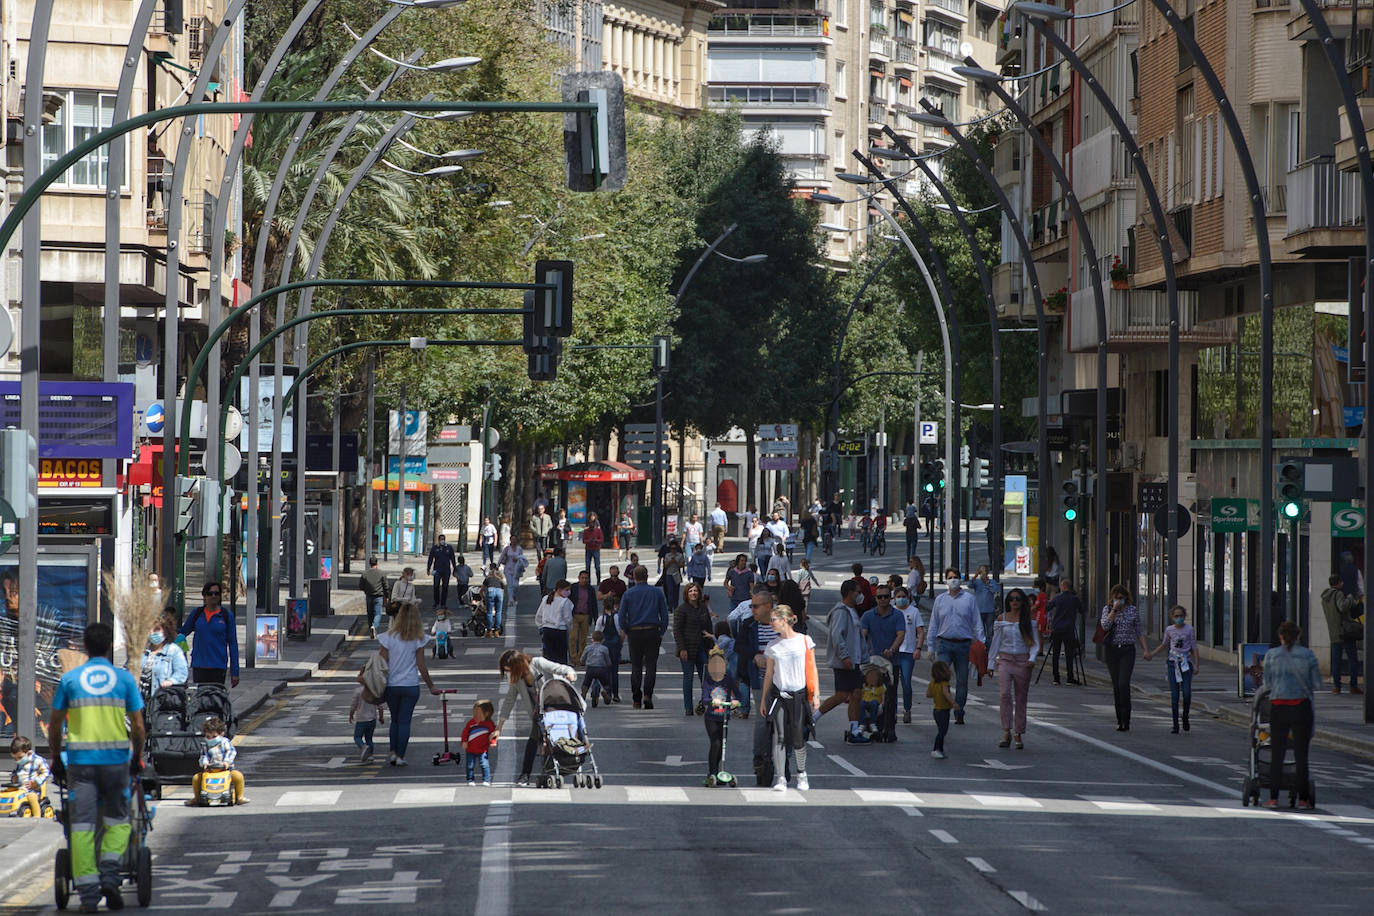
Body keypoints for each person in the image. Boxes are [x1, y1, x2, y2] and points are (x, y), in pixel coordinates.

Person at [47, 622, 146, 913]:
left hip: (81, 765)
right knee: (117, 820)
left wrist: (55, 758)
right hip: (116, 763)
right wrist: (137, 756)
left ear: (86, 648)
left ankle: (89, 894)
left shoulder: (71, 680)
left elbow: (54, 724)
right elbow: (138, 726)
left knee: (81, 826)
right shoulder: (124, 680)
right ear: (108, 647)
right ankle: (111, 876)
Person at [1261, 620, 1322, 809]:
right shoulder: (1307, 655)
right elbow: (1317, 684)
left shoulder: (1271, 655)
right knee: (1301, 755)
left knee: (1277, 753)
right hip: (1300, 707)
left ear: (1280, 636)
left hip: (1279, 708)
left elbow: (1267, 684)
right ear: (1299, 636)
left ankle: (1273, 797)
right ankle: (1303, 799)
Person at [493, 650, 576, 785]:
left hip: (554, 709)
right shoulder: (517, 679)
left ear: (518, 665)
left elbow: (560, 668)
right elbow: (509, 700)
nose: (509, 674)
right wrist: (499, 728)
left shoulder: (538, 663)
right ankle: (526, 775)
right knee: (534, 740)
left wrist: (570, 673)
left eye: (510, 670)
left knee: (545, 741)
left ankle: (543, 773)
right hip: (537, 714)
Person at [760, 604, 819, 792]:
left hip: (799, 695)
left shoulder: (804, 641)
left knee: (798, 737)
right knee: (779, 737)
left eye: (774, 620)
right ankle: (781, 778)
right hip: (779, 695)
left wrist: (815, 694)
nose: (771, 623)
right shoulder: (772, 646)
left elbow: (813, 668)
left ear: (784, 620)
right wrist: (763, 699)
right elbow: (769, 674)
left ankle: (802, 774)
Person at [377, 604, 440, 766]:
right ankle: (400, 755)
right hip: (411, 685)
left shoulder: (389, 637)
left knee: (395, 720)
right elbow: (421, 665)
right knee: (405, 721)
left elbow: (380, 661)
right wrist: (431, 686)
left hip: (392, 685)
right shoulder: (418, 639)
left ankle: (392, 752)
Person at [926, 567, 983, 724]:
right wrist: (930, 645)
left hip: (963, 645)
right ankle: (941, 707)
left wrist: (981, 643)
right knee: (940, 679)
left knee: (962, 680)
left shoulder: (969, 599)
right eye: (950, 577)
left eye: (956, 576)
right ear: (946, 580)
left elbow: (977, 622)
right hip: (944, 643)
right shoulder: (940, 600)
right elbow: (933, 623)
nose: (953, 579)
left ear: (960, 579)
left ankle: (959, 710)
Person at [815, 579, 869, 745]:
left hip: (854, 660)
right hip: (846, 661)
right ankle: (811, 719)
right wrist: (845, 656)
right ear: (849, 593)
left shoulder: (852, 611)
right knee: (842, 695)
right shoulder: (841, 612)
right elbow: (837, 636)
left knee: (856, 694)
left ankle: (854, 730)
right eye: (858, 592)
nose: (860, 595)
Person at [988, 588, 1040, 750]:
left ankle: (1018, 732)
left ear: (1023, 601)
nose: (1014, 601)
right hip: (1005, 660)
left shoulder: (1029, 620)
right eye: (1011, 599)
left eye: (1017, 599)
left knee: (1021, 697)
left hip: (1023, 661)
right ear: (1008, 602)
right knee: (1004, 694)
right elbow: (995, 642)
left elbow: (1035, 643)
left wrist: (1031, 658)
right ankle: (1006, 731)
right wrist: (990, 663)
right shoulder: (1001, 619)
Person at [618, 566, 670, 708]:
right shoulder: (656, 592)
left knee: (636, 666)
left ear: (634, 577)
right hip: (652, 630)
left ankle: (636, 697)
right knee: (651, 665)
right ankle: (648, 695)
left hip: (635, 631)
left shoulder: (628, 594)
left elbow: (622, 617)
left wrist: (627, 630)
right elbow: (664, 614)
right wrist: (661, 631)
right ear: (647, 576)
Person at [1100, 584, 1149, 731]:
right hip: (1112, 650)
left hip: (1127, 650)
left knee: (1123, 683)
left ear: (1126, 598)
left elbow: (1139, 631)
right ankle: (1119, 718)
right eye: (1116, 598)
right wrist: (1114, 610)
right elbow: (1105, 626)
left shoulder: (1132, 610)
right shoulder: (1107, 609)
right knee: (1116, 685)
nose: (1119, 601)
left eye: (1121, 598)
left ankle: (1126, 719)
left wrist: (1146, 650)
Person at [1144, 605, 1200, 733]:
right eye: (1176, 616)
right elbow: (1164, 644)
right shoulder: (1169, 630)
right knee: (1174, 695)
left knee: (1186, 693)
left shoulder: (1189, 629)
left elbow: (1194, 647)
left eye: (1181, 616)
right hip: (1173, 663)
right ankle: (1175, 724)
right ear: (1172, 617)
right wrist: (1151, 654)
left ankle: (1185, 716)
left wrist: (1196, 664)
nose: (1179, 618)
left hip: (1186, 664)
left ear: (1184, 616)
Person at [178, 581, 240, 687]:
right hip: (199, 665)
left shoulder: (226, 616)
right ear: (204, 596)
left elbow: (233, 644)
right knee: (201, 699)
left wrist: (235, 672)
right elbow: (182, 633)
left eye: (216, 593)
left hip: (218, 666)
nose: (213, 596)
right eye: (210, 593)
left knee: (215, 699)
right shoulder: (197, 614)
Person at [701, 647, 742, 786]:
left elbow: (738, 694)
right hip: (711, 717)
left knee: (722, 745)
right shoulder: (708, 681)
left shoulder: (728, 680)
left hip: (724, 717)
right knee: (716, 743)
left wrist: (735, 701)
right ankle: (712, 772)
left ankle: (719, 771)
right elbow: (704, 699)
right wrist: (713, 701)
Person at [674, 582, 714, 716]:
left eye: (695, 591)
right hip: (687, 648)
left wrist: (711, 648)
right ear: (686, 594)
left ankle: (704, 703)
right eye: (691, 591)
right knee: (688, 678)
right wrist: (682, 649)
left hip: (702, 647)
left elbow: (708, 628)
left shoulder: (703, 608)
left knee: (706, 677)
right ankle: (688, 708)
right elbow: (677, 631)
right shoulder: (682, 609)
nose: (693, 593)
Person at [187, 716, 247, 806]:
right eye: (208, 736)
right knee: (196, 778)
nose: (210, 739)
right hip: (210, 771)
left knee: (238, 776)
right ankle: (196, 798)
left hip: (225, 770)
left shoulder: (225, 742)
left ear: (221, 734)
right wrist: (205, 763)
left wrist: (226, 762)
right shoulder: (206, 745)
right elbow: (204, 755)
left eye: (214, 736)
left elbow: (231, 752)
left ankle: (240, 797)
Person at [1321, 573, 1363, 695]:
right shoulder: (1338, 594)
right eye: (1341, 582)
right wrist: (1350, 598)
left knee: (1336, 661)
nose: (1342, 584)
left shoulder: (1325, 598)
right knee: (1352, 659)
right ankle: (1353, 686)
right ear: (1338, 582)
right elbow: (1342, 607)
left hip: (1333, 632)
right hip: (1344, 632)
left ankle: (1337, 686)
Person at [891, 586, 925, 724]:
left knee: (906, 683)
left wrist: (918, 648)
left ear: (908, 597)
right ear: (894, 599)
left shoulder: (914, 611)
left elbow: (920, 632)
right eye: (898, 597)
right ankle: (891, 711)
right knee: (892, 684)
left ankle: (907, 710)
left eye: (903, 596)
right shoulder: (891, 612)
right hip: (893, 651)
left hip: (908, 651)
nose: (901, 599)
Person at [1046, 579, 1083, 685]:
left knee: (1055, 654)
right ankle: (1069, 678)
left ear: (1062, 587)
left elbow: (1048, 607)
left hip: (1057, 628)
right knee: (1069, 654)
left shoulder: (1058, 598)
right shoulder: (1074, 599)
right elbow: (1081, 610)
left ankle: (1056, 678)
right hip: (1069, 629)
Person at [140, 614, 188, 697]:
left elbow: (182, 673)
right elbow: (127, 668)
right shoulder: (141, 651)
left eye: (156, 629)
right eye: (149, 629)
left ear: (166, 631)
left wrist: (171, 681)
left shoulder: (174, 651)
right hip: (139, 700)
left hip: (161, 699)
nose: (152, 632)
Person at [861, 585, 906, 672]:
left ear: (890, 598)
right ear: (875, 598)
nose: (883, 599)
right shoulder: (867, 615)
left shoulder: (898, 615)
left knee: (891, 685)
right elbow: (862, 635)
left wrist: (891, 650)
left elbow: (901, 635)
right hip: (871, 662)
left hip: (892, 662)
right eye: (879, 597)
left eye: (886, 596)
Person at [7, 735, 51, 819]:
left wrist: (36, 782)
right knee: (7, 793)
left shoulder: (38, 760)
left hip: (34, 790)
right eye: (15, 758)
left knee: (32, 797)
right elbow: (16, 773)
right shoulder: (20, 762)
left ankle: (37, 816)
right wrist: (14, 778)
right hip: (21, 789)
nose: (17, 760)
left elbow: (46, 771)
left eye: (19, 757)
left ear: (29, 753)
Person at [349, 673, 386, 763]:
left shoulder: (358, 691)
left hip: (361, 719)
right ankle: (370, 755)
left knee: (357, 737)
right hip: (372, 719)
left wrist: (351, 714)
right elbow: (380, 706)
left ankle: (363, 747)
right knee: (369, 738)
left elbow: (353, 705)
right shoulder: (373, 691)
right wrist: (381, 717)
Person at [593, 596, 623, 703]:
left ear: (603, 606)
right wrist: (620, 644)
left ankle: (607, 690)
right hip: (615, 646)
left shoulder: (601, 619)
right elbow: (620, 632)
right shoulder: (617, 617)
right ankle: (615, 694)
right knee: (614, 670)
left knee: (605, 670)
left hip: (604, 646)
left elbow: (597, 633)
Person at [535, 581, 573, 665]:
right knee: (561, 656)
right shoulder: (565, 601)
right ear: (559, 590)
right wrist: (570, 629)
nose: (568, 592)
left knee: (548, 656)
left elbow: (539, 615)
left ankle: (549, 675)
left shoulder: (546, 598)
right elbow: (568, 619)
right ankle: (561, 675)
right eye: (567, 590)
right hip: (560, 630)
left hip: (547, 630)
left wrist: (540, 626)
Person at [927, 659, 959, 759]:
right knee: (942, 731)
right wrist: (953, 703)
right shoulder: (944, 683)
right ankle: (936, 749)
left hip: (936, 709)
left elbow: (928, 694)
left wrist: (935, 693)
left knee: (941, 730)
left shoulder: (932, 683)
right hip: (943, 710)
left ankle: (940, 749)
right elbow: (946, 693)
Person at [461, 700, 496, 786]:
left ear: (487, 713)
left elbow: (493, 734)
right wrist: (464, 741)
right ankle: (470, 780)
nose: (476, 715)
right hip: (470, 749)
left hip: (483, 749)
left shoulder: (489, 724)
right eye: (475, 713)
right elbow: (465, 733)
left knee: (484, 764)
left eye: (479, 713)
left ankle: (486, 779)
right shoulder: (471, 723)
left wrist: (493, 742)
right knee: (470, 765)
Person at [567, 570, 599, 661]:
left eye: (586, 578)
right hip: (574, 615)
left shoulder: (590, 589)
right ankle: (573, 657)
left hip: (586, 616)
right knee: (573, 637)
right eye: (582, 578)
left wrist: (595, 618)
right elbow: (567, 601)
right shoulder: (573, 587)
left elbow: (594, 604)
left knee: (583, 639)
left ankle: (580, 658)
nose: (584, 580)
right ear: (578, 578)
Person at [580, 631, 614, 707]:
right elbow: (608, 660)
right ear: (603, 640)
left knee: (586, 682)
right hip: (601, 669)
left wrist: (583, 662)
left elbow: (582, 659)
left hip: (590, 669)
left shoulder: (588, 648)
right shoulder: (604, 649)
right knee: (606, 683)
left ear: (592, 639)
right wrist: (609, 664)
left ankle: (584, 690)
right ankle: (605, 691)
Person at [426, 534, 457, 609]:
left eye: (443, 539)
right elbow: (430, 558)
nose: (442, 541)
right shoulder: (435, 548)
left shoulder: (449, 548)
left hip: (446, 570)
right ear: (438, 540)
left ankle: (443, 603)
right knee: (436, 586)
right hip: (437, 570)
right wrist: (428, 568)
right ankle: (436, 602)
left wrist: (454, 568)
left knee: (445, 587)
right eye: (441, 539)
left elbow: (452, 558)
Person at [970, 565, 1002, 639]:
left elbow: (996, 590)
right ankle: (982, 646)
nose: (983, 573)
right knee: (980, 630)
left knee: (990, 631)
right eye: (981, 571)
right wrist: (975, 576)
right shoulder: (977, 582)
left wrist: (987, 583)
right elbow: (970, 585)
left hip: (989, 610)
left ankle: (990, 646)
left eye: (985, 571)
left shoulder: (992, 582)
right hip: (979, 610)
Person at [499, 539, 528, 617]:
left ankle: (514, 595)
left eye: (514, 540)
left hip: (516, 569)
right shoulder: (507, 548)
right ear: (510, 540)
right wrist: (497, 565)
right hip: (508, 569)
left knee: (515, 585)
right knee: (510, 585)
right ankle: (510, 600)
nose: (513, 541)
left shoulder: (519, 549)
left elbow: (522, 557)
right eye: (512, 540)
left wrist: (518, 558)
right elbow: (502, 556)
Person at [360, 556, 389, 636]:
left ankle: (370, 627)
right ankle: (374, 626)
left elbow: (361, 586)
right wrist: (387, 596)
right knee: (378, 613)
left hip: (369, 595)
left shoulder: (365, 573)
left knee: (370, 613)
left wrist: (366, 590)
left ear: (369, 563)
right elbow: (386, 586)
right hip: (378, 596)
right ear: (377, 563)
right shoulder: (382, 573)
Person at [660, 539, 686, 609]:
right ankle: (670, 606)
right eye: (671, 548)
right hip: (669, 574)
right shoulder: (667, 555)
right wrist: (670, 561)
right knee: (669, 591)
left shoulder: (680, 555)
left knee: (676, 591)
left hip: (677, 574)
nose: (673, 550)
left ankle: (676, 606)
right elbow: (665, 565)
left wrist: (676, 562)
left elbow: (682, 564)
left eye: (674, 548)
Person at [483, 564, 506, 637]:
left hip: (491, 591)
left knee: (489, 612)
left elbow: (481, 589)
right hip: (499, 593)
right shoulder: (499, 579)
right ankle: (496, 631)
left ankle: (489, 631)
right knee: (498, 612)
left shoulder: (488, 578)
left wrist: (483, 598)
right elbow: (503, 590)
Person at [582, 514, 605, 583]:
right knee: (587, 567)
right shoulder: (586, 531)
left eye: (592, 524)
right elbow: (584, 540)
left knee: (597, 566)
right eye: (590, 524)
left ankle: (598, 580)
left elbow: (601, 540)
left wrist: (596, 540)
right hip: (588, 549)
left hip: (596, 549)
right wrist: (589, 540)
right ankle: (588, 581)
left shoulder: (598, 530)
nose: (591, 525)